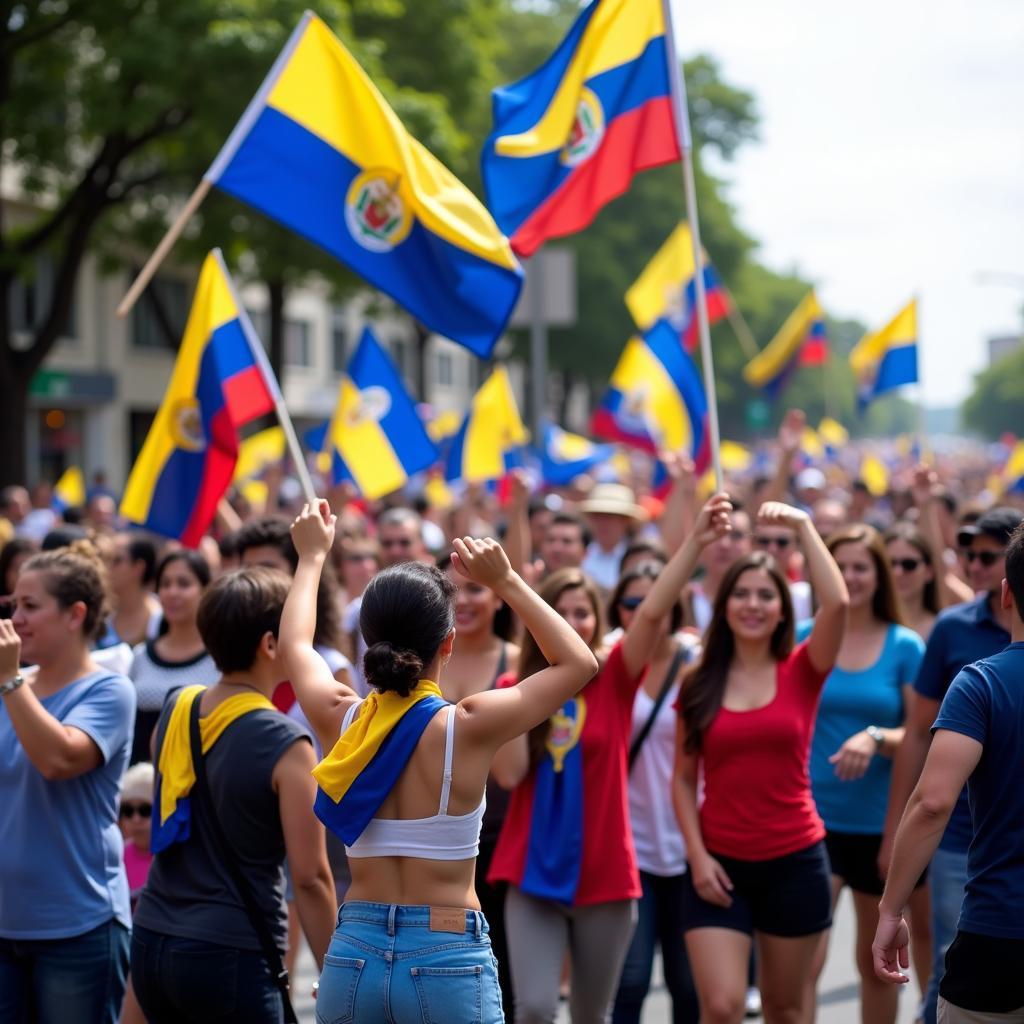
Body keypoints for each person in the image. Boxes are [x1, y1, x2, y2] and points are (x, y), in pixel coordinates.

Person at [278, 501, 598, 1024]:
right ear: (447, 642)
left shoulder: (342, 718)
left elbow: (294, 643)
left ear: (368, 642)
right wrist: (508, 581)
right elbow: (579, 662)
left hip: (353, 947)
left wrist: (312, 556)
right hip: (446, 948)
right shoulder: (469, 725)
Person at [489, 495, 732, 1024]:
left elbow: (650, 611)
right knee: (531, 1008)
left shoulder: (615, 676)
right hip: (531, 870)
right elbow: (508, 774)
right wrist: (527, 684)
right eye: (561, 612)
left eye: (583, 612)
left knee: (592, 1015)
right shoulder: (513, 687)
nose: (572, 621)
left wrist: (695, 542)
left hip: (604, 873)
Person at [131, 566, 337, 1023]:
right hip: (230, 954)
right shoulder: (288, 745)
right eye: (294, 633)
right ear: (270, 645)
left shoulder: (175, 707)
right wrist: (340, 977)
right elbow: (310, 878)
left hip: (152, 940)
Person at [673, 501, 848, 1024]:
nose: (753, 604)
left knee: (785, 1009)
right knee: (722, 1006)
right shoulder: (698, 679)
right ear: (724, 605)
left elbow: (837, 604)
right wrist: (698, 858)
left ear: (782, 609)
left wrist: (802, 526)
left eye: (765, 596)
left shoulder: (803, 669)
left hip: (794, 861)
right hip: (718, 866)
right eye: (742, 594)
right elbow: (682, 781)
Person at [873, 522, 1024, 1022]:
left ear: (1005, 592)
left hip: (999, 930)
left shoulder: (980, 683)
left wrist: (891, 909)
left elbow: (932, 801)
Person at [0, 543, 136, 1023]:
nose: (16, 618)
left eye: (30, 606)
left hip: (77, 926)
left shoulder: (108, 689)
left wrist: (11, 682)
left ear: (76, 614)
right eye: (12, 604)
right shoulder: (9, 683)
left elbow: (58, 758)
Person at [803, 525, 928, 1022]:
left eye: (861, 567)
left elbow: (921, 735)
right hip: (811, 823)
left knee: (874, 961)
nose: (850, 577)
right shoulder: (800, 638)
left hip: (881, 827)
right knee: (802, 962)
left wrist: (876, 736)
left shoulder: (906, 646)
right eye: (840, 567)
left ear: (879, 576)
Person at [610, 562, 701, 1024]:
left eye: (659, 600)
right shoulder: (609, 664)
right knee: (631, 980)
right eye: (634, 603)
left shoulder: (698, 663)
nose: (648, 611)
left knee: (689, 985)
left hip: (691, 848)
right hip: (631, 849)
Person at [437, 548, 521, 1017]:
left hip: (502, 838)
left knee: (501, 967)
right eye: (450, 590)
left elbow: (510, 770)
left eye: (474, 588)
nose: (462, 601)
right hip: (435, 845)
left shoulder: (515, 662)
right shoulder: (413, 666)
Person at [128, 550, 218, 764]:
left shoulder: (220, 657)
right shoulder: (140, 655)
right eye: (165, 584)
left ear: (205, 590)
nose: (172, 592)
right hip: (137, 788)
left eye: (184, 584)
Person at [98, 531, 163, 650]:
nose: (106, 568)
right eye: (106, 559)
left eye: (117, 560)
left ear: (139, 567)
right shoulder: (99, 615)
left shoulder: (163, 620)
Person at [579, 483, 646, 591]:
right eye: (597, 516)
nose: (602, 523)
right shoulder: (580, 554)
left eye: (610, 517)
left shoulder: (639, 558)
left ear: (626, 521)